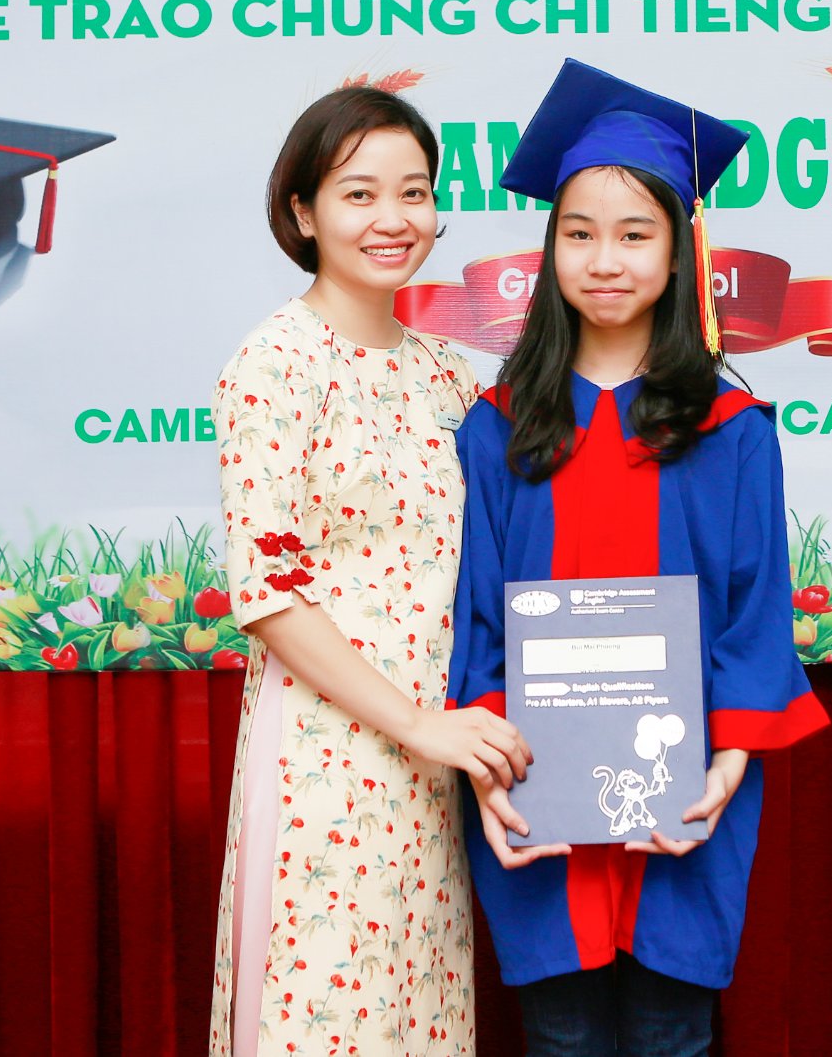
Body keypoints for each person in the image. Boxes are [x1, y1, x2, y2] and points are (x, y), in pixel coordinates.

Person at [447, 60, 831, 1056]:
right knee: (561, 1034)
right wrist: (487, 772)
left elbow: (755, 611)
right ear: (549, 251)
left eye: (633, 233)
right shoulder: (496, 428)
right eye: (578, 233)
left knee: (671, 1030)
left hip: (688, 783)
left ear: (678, 251)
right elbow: (474, 617)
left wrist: (728, 760)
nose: (604, 259)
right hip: (536, 783)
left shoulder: (730, 427)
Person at [208, 85, 534, 1057]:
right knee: (326, 1018)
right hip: (330, 751)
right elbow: (269, 591)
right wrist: (416, 724)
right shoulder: (273, 364)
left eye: (413, 191)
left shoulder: (448, 373)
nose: (392, 218)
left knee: (415, 1014)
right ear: (303, 213)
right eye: (358, 194)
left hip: (438, 756)